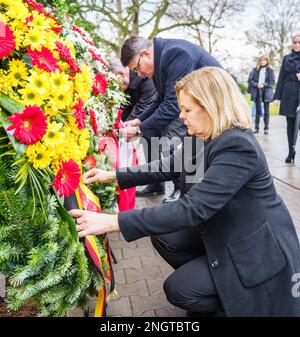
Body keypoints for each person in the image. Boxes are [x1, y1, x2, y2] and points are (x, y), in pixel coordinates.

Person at [69, 67, 300, 317]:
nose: (181, 116)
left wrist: (113, 222)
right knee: (164, 235)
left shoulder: (237, 146)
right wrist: (114, 175)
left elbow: (193, 208)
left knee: (179, 289)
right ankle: (218, 282)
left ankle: (235, 302)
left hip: (254, 248)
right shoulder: (205, 134)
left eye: (187, 110)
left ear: (211, 106)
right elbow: (169, 166)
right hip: (225, 229)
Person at [120, 36, 222, 203]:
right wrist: (139, 122)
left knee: (173, 134)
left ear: (146, 54)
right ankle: (155, 183)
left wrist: (139, 130)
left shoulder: (175, 54)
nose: (140, 74)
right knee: (150, 133)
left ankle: (183, 190)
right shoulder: (159, 60)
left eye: (137, 68)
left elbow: (173, 106)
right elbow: (160, 100)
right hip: (191, 105)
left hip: (215, 104)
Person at [109, 58, 165, 195]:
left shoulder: (143, 76)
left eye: (118, 83)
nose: (119, 87)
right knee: (150, 146)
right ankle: (156, 186)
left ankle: (179, 189)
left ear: (121, 74)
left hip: (162, 114)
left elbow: (145, 104)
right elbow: (126, 106)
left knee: (172, 148)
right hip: (148, 116)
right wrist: (120, 124)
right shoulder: (128, 82)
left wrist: (130, 128)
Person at [274, 34, 300, 163]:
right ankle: (291, 151)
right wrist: (277, 97)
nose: (296, 44)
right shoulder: (286, 58)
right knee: (290, 125)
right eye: (295, 42)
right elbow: (281, 78)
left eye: (299, 42)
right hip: (289, 94)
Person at [248, 55, 275, 135]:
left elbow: (272, 82)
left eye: (264, 60)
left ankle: (266, 128)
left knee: (266, 111)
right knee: (257, 111)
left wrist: (264, 84)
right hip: (257, 91)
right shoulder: (254, 70)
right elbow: (250, 80)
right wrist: (257, 84)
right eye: (261, 60)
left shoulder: (270, 70)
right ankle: (256, 128)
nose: (262, 62)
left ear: (267, 61)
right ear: (259, 61)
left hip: (266, 92)